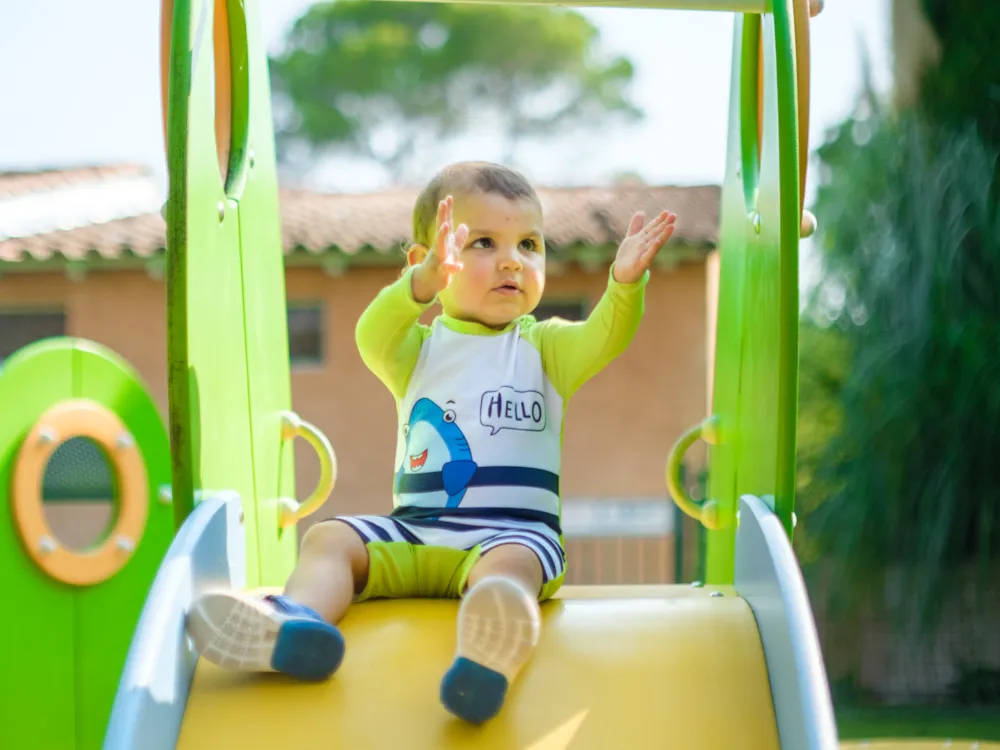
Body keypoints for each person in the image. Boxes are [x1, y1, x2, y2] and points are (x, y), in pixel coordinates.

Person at [185, 161, 677, 724]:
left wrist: (625, 283)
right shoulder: (417, 349)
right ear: (425, 260)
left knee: (514, 565)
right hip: (415, 532)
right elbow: (371, 334)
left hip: (507, 536)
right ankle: (296, 624)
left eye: (529, 244)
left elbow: (605, 337)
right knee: (329, 537)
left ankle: (489, 651)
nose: (513, 259)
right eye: (484, 243)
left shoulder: (545, 348)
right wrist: (417, 288)